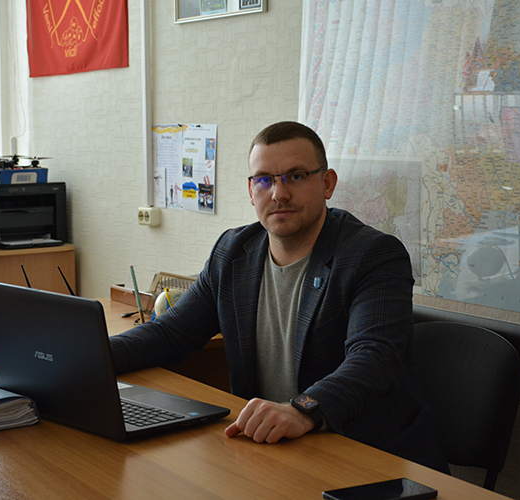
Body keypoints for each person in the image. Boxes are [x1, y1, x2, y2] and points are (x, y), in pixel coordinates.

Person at [109, 121, 449, 472]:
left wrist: (302, 410)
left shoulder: (373, 255)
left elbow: (374, 359)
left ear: (327, 183)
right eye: (264, 179)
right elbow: (170, 333)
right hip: (272, 451)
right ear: (251, 189)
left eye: (296, 176)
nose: (278, 194)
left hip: (366, 456)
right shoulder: (233, 252)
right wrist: (92, 355)